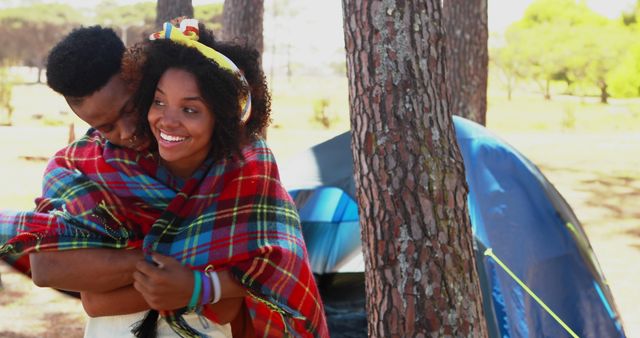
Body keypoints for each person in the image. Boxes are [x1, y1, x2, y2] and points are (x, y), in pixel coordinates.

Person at [1, 19, 328, 337]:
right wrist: (191, 278)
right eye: (106, 127)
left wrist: (120, 271)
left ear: (139, 79)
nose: (127, 132)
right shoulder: (78, 166)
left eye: (129, 110)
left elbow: (274, 272)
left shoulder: (237, 163)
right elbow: (61, 279)